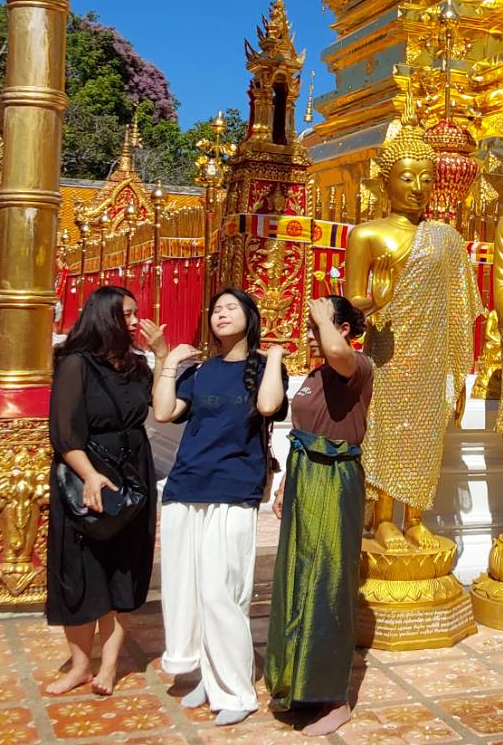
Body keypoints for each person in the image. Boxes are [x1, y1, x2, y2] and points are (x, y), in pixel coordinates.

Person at [154, 289, 287, 725]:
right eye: (216, 309)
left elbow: (268, 406)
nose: (221, 315)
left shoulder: (264, 368)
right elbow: (164, 411)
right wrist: (169, 362)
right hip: (187, 485)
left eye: (231, 308)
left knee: (222, 593)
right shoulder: (201, 371)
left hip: (233, 488)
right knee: (189, 590)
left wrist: (274, 357)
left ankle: (237, 691)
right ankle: (209, 678)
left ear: (250, 317)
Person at [46, 286, 164, 696]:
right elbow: (64, 432)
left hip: (132, 471)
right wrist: (91, 475)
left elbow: (158, 407)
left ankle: (109, 664)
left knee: (122, 569)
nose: (134, 321)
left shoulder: (136, 365)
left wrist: (162, 355)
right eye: (126, 314)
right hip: (86, 473)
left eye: (135, 313)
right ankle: (80, 664)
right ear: (104, 317)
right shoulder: (75, 364)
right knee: (80, 570)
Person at [266, 297, 372, 737]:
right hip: (305, 478)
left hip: (335, 479)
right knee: (297, 578)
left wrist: (325, 318)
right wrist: (286, 484)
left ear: (342, 329)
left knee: (328, 584)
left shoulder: (356, 366)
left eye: (318, 327)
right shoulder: (315, 376)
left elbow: (338, 351)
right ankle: (298, 684)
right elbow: (302, 434)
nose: (310, 335)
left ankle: (334, 697)